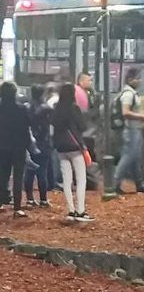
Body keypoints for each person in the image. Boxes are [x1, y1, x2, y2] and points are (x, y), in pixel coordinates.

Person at [52, 83, 93, 222]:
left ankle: (71, 210)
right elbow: (82, 126)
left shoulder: (56, 108)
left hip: (61, 149)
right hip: (75, 147)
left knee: (67, 180)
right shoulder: (74, 108)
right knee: (81, 179)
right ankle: (81, 211)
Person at [114, 68, 144, 195]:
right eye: (138, 78)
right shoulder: (128, 94)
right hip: (131, 129)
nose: (140, 81)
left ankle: (139, 183)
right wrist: (142, 117)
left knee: (135, 157)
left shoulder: (131, 93)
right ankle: (115, 183)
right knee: (128, 156)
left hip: (134, 128)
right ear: (130, 80)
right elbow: (126, 112)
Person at [0, 81, 31, 217]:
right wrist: (28, 144)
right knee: (18, 177)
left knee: (2, 176)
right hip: (18, 147)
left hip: (2, 146)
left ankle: (1, 202)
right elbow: (27, 127)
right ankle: (17, 208)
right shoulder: (21, 109)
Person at [24, 84, 53, 208]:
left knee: (29, 171)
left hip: (29, 142)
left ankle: (30, 199)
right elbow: (50, 125)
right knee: (42, 171)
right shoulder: (47, 108)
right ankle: (43, 199)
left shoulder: (26, 107)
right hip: (43, 142)